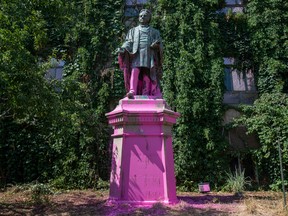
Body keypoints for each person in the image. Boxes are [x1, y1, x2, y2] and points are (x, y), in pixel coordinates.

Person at [118, 9, 163, 99]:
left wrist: (157, 46)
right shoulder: (133, 31)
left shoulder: (155, 32)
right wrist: (123, 48)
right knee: (135, 71)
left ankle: (147, 93)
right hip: (136, 54)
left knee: (148, 74)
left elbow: (160, 44)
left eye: (144, 16)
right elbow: (129, 42)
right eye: (140, 16)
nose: (142, 17)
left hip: (149, 55)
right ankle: (132, 91)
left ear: (149, 18)